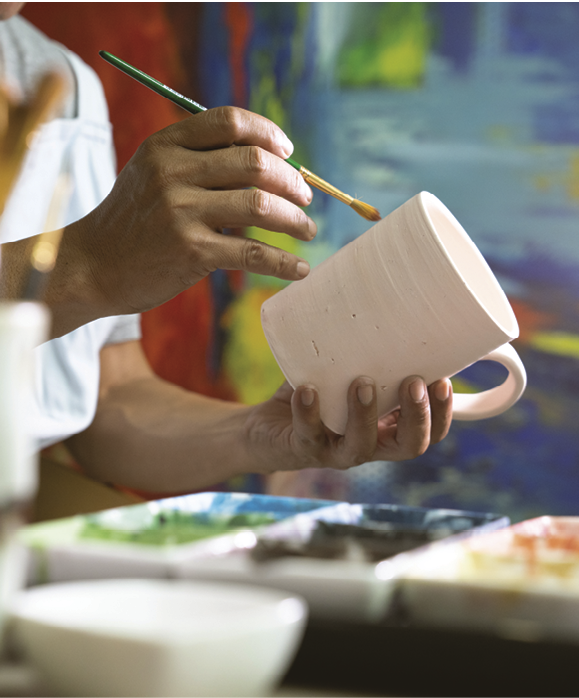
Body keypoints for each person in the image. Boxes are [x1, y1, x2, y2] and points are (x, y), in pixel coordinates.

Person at [0, 5, 453, 495]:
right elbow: (88, 273)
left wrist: (262, 435)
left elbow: (109, 400)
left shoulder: (62, 84)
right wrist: (90, 263)